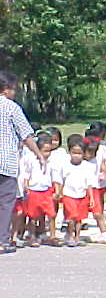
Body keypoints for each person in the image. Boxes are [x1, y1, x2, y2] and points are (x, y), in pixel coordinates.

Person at [0, 71, 45, 254]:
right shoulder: (12, 108)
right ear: (7, 89)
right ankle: (1, 240)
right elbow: (26, 134)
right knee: (5, 203)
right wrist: (38, 154)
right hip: (6, 162)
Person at [53, 135, 94, 247]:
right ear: (69, 152)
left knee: (79, 218)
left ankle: (77, 236)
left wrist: (91, 198)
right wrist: (58, 193)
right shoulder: (65, 165)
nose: (76, 156)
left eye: (79, 153)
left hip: (82, 195)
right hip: (68, 195)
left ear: (84, 154)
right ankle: (70, 235)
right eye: (73, 152)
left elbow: (89, 184)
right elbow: (60, 181)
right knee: (71, 217)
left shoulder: (87, 166)